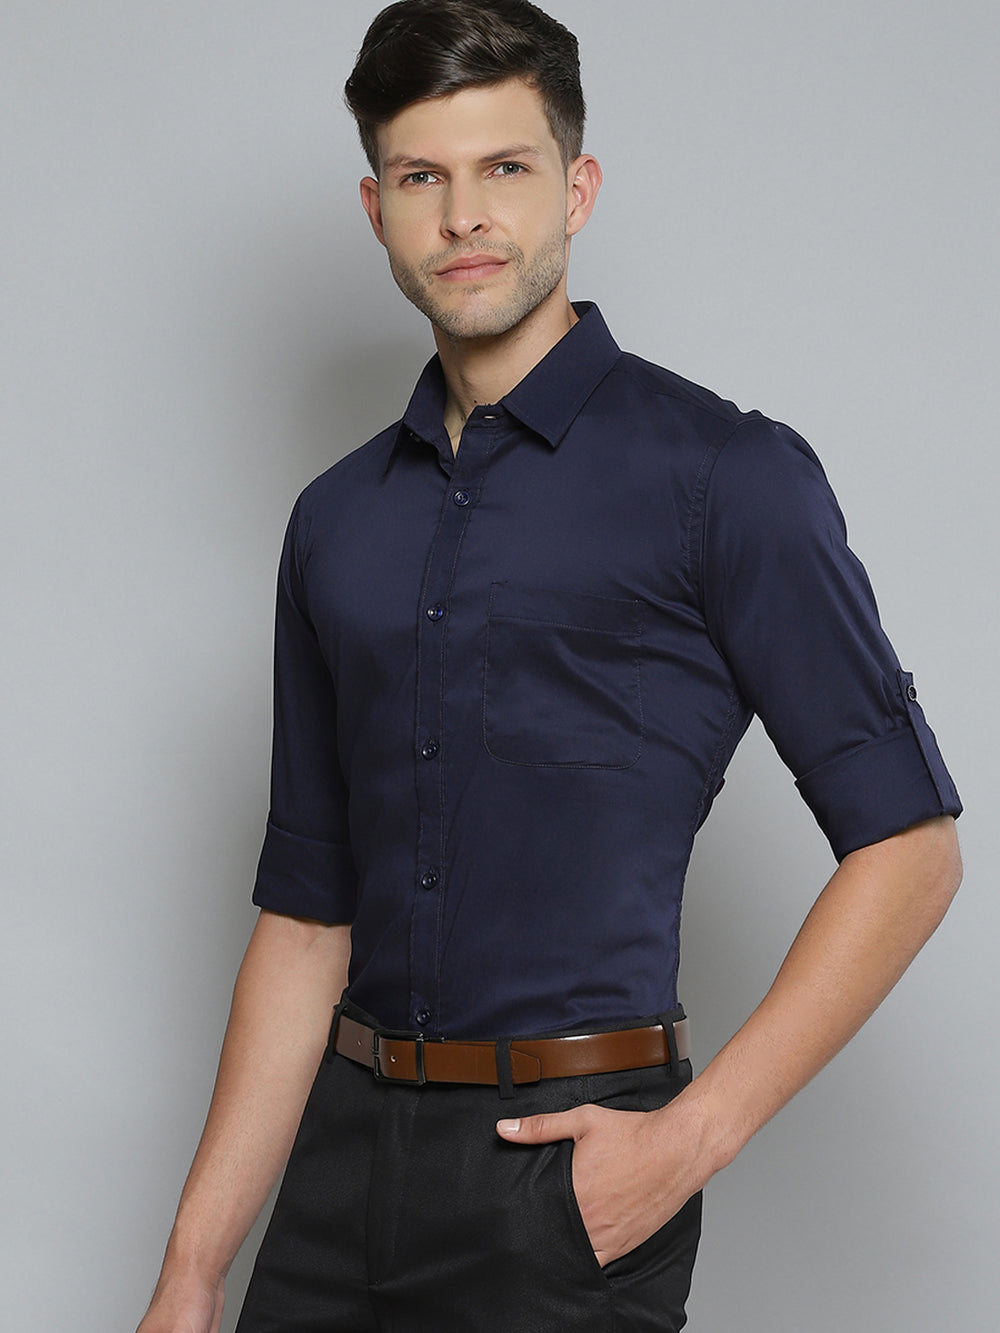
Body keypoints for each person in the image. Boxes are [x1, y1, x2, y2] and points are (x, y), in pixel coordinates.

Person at [136, 2, 963, 1330]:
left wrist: (687, 1144)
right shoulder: (335, 521)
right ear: (377, 209)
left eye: (505, 168)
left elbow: (911, 849)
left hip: (568, 1177)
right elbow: (305, 917)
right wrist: (192, 1265)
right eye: (423, 176)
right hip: (339, 1167)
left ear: (576, 189)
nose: (465, 216)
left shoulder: (725, 476)